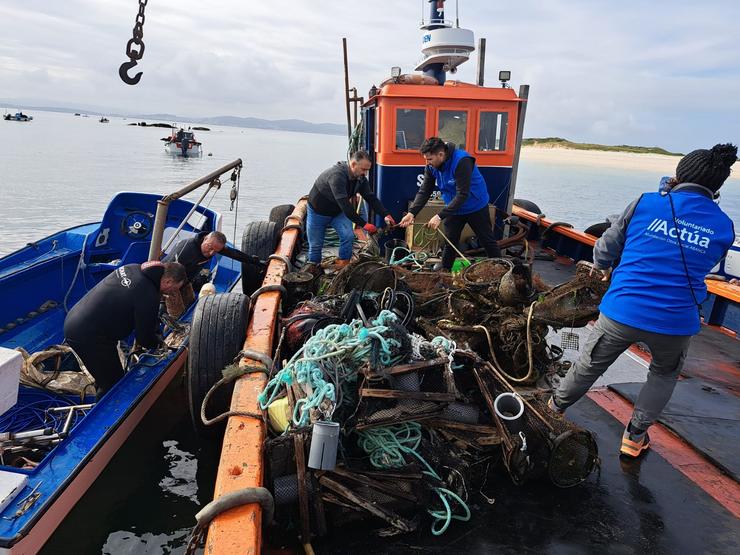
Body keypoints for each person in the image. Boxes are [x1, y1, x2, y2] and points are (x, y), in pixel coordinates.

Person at [550, 143, 737, 458]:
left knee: (590, 364)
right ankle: (634, 438)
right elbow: (704, 262)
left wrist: (604, 268)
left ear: (679, 174)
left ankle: (552, 409)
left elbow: (606, 249)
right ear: (717, 186)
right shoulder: (723, 226)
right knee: (663, 374)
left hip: (623, 310)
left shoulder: (646, 203)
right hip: (675, 321)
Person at [63, 261, 187, 397]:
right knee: (113, 384)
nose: (172, 293)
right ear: (168, 281)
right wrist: (160, 344)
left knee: (103, 373)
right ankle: (107, 414)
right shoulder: (148, 294)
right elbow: (144, 338)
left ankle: (100, 384)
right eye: (174, 288)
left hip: (74, 318)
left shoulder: (133, 268)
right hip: (88, 335)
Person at [398, 137, 501, 270]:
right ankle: (444, 272)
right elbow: (425, 191)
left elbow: (463, 194)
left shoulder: (462, 161)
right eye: (426, 159)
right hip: (454, 208)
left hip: (475, 205)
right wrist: (412, 213)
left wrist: (439, 216)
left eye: (429, 159)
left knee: (488, 241)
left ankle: (502, 270)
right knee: (449, 242)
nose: (427, 163)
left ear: (441, 154)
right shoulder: (431, 166)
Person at [307, 150, 395, 269]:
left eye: (367, 170)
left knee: (348, 236)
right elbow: (345, 205)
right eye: (363, 169)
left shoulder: (361, 179)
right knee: (316, 244)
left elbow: (371, 198)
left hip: (337, 212)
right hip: (318, 212)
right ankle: (313, 268)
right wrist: (364, 224)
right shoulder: (337, 175)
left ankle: (344, 263)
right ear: (353, 164)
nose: (365, 173)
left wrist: (386, 214)